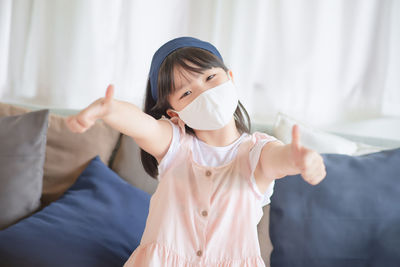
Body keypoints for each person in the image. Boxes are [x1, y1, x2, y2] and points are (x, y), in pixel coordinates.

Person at [66, 36, 326, 266]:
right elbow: (141, 125)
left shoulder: (256, 152)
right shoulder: (174, 143)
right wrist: (108, 109)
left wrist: (300, 158)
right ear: (173, 113)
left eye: (211, 77)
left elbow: (279, 158)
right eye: (187, 92)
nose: (205, 93)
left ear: (230, 78)